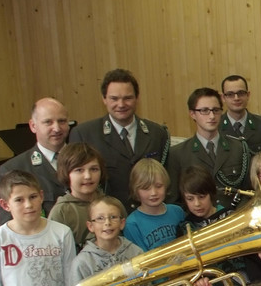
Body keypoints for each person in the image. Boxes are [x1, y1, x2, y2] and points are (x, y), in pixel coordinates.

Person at [69, 68, 170, 209]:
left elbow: (166, 180)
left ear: (137, 98)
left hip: (150, 215)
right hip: (107, 217)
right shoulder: (84, 134)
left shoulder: (157, 133)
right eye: (114, 98)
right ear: (104, 99)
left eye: (127, 98)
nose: (121, 104)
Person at [166, 87, 250, 206]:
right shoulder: (178, 154)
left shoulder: (238, 148)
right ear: (192, 114)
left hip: (234, 215)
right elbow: (174, 201)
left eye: (216, 110)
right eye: (204, 110)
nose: (212, 116)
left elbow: (248, 192)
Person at [0, 97, 69, 222]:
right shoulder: (14, 168)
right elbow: (8, 224)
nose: (57, 128)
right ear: (33, 126)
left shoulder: (85, 158)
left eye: (62, 121)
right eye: (48, 122)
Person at [68, 196, 144, 286]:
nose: (107, 223)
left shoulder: (136, 253)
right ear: (91, 226)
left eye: (113, 217)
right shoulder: (82, 263)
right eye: (100, 218)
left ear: (122, 223)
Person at [49, 142, 106, 250]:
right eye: (79, 170)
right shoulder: (61, 212)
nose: (88, 176)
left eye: (94, 169)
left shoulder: (111, 204)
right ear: (66, 173)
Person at [123, 159, 186, 251]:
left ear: (166, 185)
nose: (153, 193)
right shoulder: (132, 224)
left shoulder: (177, 212)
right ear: (136, 190)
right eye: (146, 188)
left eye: (158, 186)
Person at [219, 74, 261, 154]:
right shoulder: (216, 126)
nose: (236, 98)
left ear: (248, 95)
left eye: (241, 93)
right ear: (223, 98)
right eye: (230, 94)